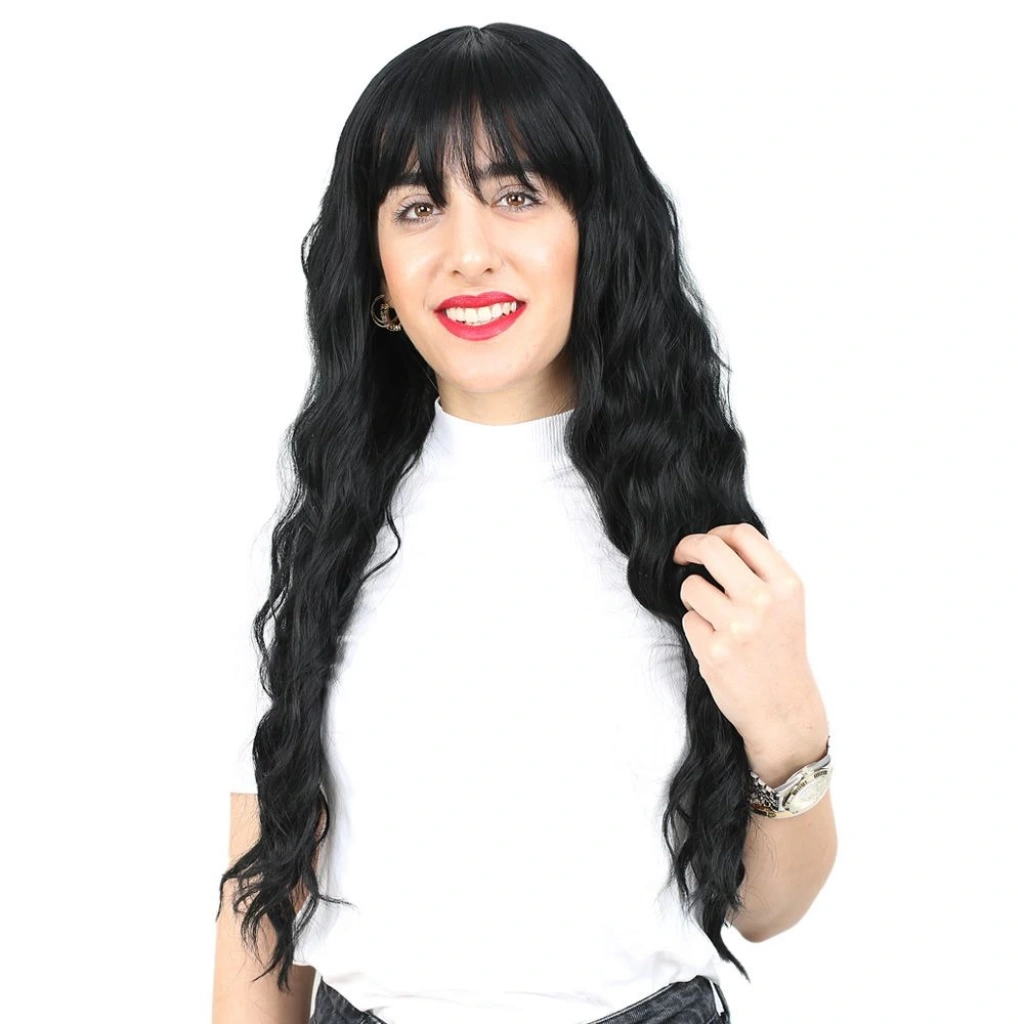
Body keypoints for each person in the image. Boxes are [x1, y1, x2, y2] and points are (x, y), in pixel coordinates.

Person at [212, 22, 837, 1024]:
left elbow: (764, 910)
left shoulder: (693, 525)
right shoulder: (312, 532)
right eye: (420, 207)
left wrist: (789, 726)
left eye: (516, 195)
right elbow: (259, 901)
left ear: (595, 227)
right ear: (375, 263)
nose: (468, 254)